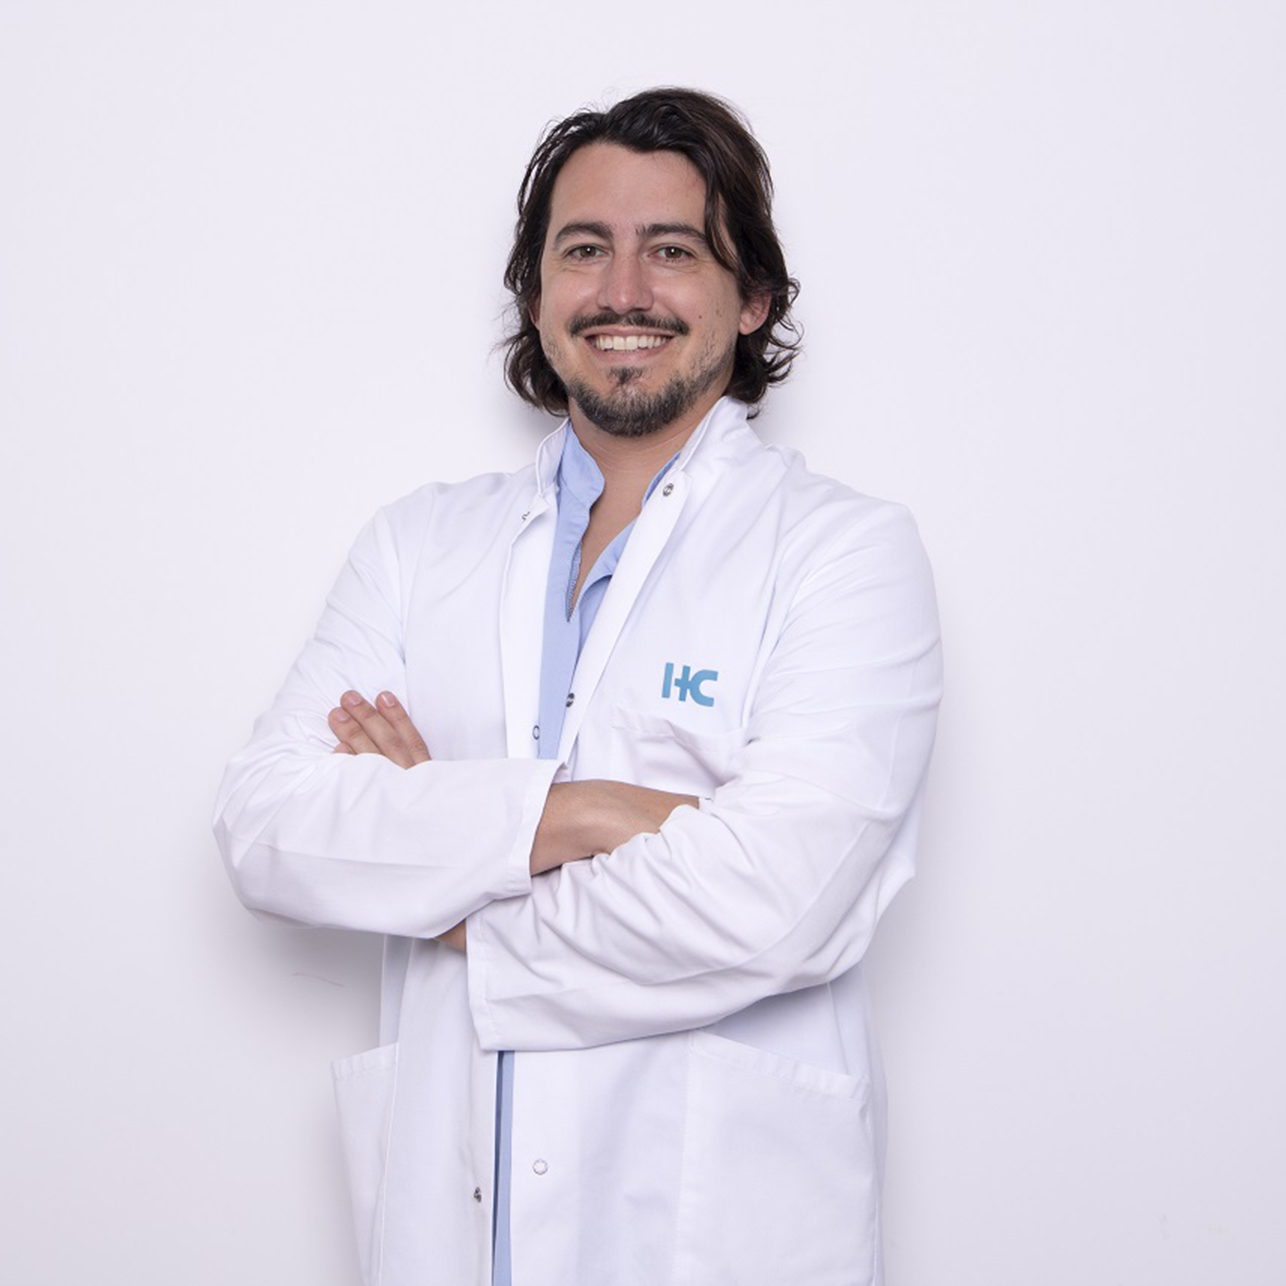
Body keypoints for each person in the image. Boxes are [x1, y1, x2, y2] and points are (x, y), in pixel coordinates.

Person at [214, 87, 941, 1286]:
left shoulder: (841, 553)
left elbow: (776, 898)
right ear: (536, 291)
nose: (623, 291)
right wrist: (591, 811)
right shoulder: (417, 546)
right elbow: (266, 828)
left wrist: (440, 874)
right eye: (584, 249)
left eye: (674, 251)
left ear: (751, 297)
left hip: (708, 1234)